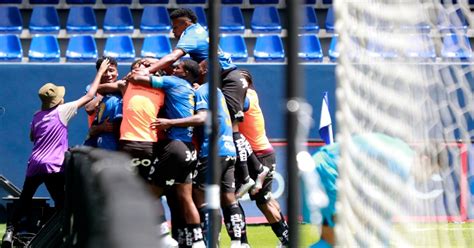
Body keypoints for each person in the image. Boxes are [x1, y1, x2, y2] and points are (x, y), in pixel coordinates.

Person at [143, 8, 257, 196]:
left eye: (175, 26)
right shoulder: (198, 33)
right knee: (228, 123)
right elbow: (186, 68)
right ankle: (248, 174)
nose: (173, 31)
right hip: (224, 79)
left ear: (185, 23)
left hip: (228, 79)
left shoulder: (191, 33)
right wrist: (156, 61)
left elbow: (174, 57)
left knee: (232, 125)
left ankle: (249, 175)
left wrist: (147, 71)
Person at [1, 59, 111, 247]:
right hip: (54, 165)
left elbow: (32, 137)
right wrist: (100, 71)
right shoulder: (63, 110)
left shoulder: (37, 115)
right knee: (63, 201)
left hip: (35, 164)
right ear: (58, 99)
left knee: (24, 199)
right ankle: (64, 236)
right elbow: (91, 95)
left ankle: (9, 233)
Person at [151, 61, 246, 248]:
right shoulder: (217, 91)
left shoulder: (203, 90)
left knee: (200, 197)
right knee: (228, 198)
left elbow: (202, 118)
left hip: (212, 150)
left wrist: (170, 123)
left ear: (204, 70)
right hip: (229, 149)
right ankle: (238, 243)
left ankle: (208, 242)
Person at [126, 59, 204, 247]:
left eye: (177, 68)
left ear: (184, 73)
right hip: (189, 149)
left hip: (174, 147)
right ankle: (199, 241)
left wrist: (137, 72)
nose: (172, 69)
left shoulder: (173, 82)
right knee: (185, 198)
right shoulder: (191, 89)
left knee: (147, 194)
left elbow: (138, 79)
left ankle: (162, 238)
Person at [306, 132, 423, 247]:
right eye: (433, 172)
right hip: (328, 170)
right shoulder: (402, 166)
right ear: (425, 159)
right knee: (332, 238)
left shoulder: (403, 152)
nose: (427, 178)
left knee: (335, 235)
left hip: (326, 166)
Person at [237, 70, 289, 247]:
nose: (238, 84)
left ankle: (285, 240)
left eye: (241, 81)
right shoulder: (247, 94)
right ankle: (286, 238)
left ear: (248, 83)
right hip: (257, 153)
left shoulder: (248, 96)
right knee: (266, 199)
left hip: (260, 154)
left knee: (263, 202)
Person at [84, 57, 122, 150]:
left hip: (115, 137)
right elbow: (89, 109)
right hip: (95, 134)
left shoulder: (122, 86)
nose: (109, 75)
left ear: (117, 72)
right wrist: (102, 93)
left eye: (111, 70)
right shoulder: (92, 88)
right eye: (105, 71)